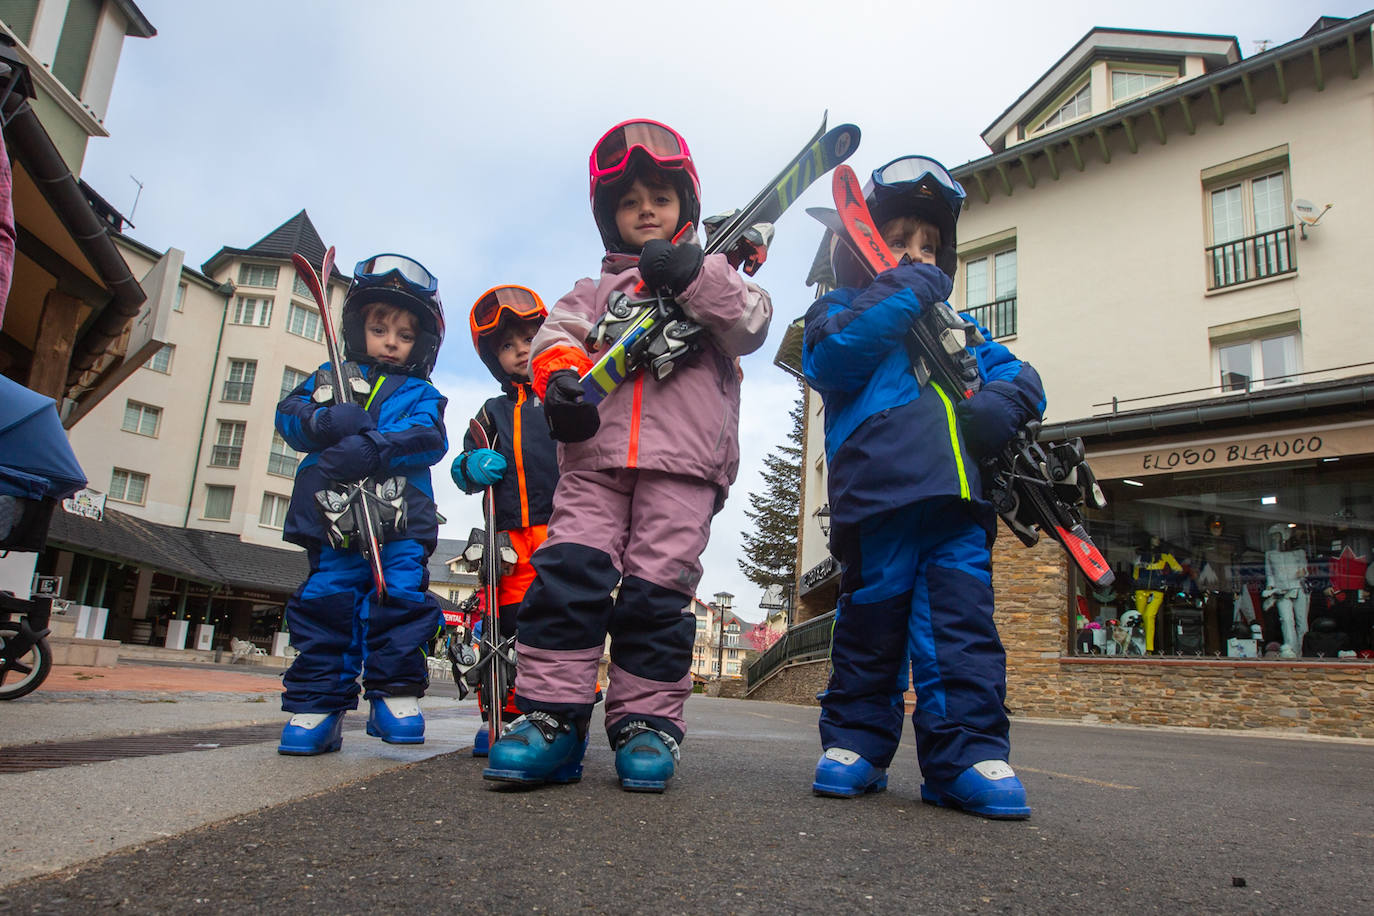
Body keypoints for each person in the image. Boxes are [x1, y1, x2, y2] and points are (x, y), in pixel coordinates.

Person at [483, 118, 772, 792]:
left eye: (661, 197)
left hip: (684, 468)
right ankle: (550, 717)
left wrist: (697, 277)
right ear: (609, 218)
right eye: (629, 200)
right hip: (594, 463)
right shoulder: (592, 292)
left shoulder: (720, 276)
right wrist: (558, 382)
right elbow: (558, 338)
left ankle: (647, 723)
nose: (645, 208)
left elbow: (752, 324)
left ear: (686, 209)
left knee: (657, 594)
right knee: (568, 580)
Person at [802, 155, 1045, 819]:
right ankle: (855, 743)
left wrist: (1005, 401)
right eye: (901, 239)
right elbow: (830, 358)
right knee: (869, 628)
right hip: (876, 500)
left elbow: (1022, 376)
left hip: (957, 500)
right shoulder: (840, 308)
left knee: (961, 631)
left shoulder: (958, 327)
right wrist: (905, 290)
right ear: (863, 244)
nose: (917, 255)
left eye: (930, 246)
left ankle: (965, 754)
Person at [273, 253, 449, 755]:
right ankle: (318, 705)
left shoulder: (423, 392)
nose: (391, 341)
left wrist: (376, 446)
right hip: (333, 516)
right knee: (328, 602)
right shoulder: (328, 378)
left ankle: (394, 695)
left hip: (398, 518)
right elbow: (288, 417)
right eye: (379, 328)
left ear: (421, 344)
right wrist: (322, 422)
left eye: (405, 334)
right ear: (358, 328)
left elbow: (430, 437)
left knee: (400, 598)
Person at [450, 285, 560, 756]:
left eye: (529, 340)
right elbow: (463, 464)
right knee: (506, 625)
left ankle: (551, 713)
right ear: (496, 358)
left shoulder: (566, 396)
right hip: (509, 539)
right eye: (508, 346)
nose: (520, 352)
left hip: (564, 529)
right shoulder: (492, 411)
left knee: (557, 623)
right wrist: (471, 466)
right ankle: (501, 714)